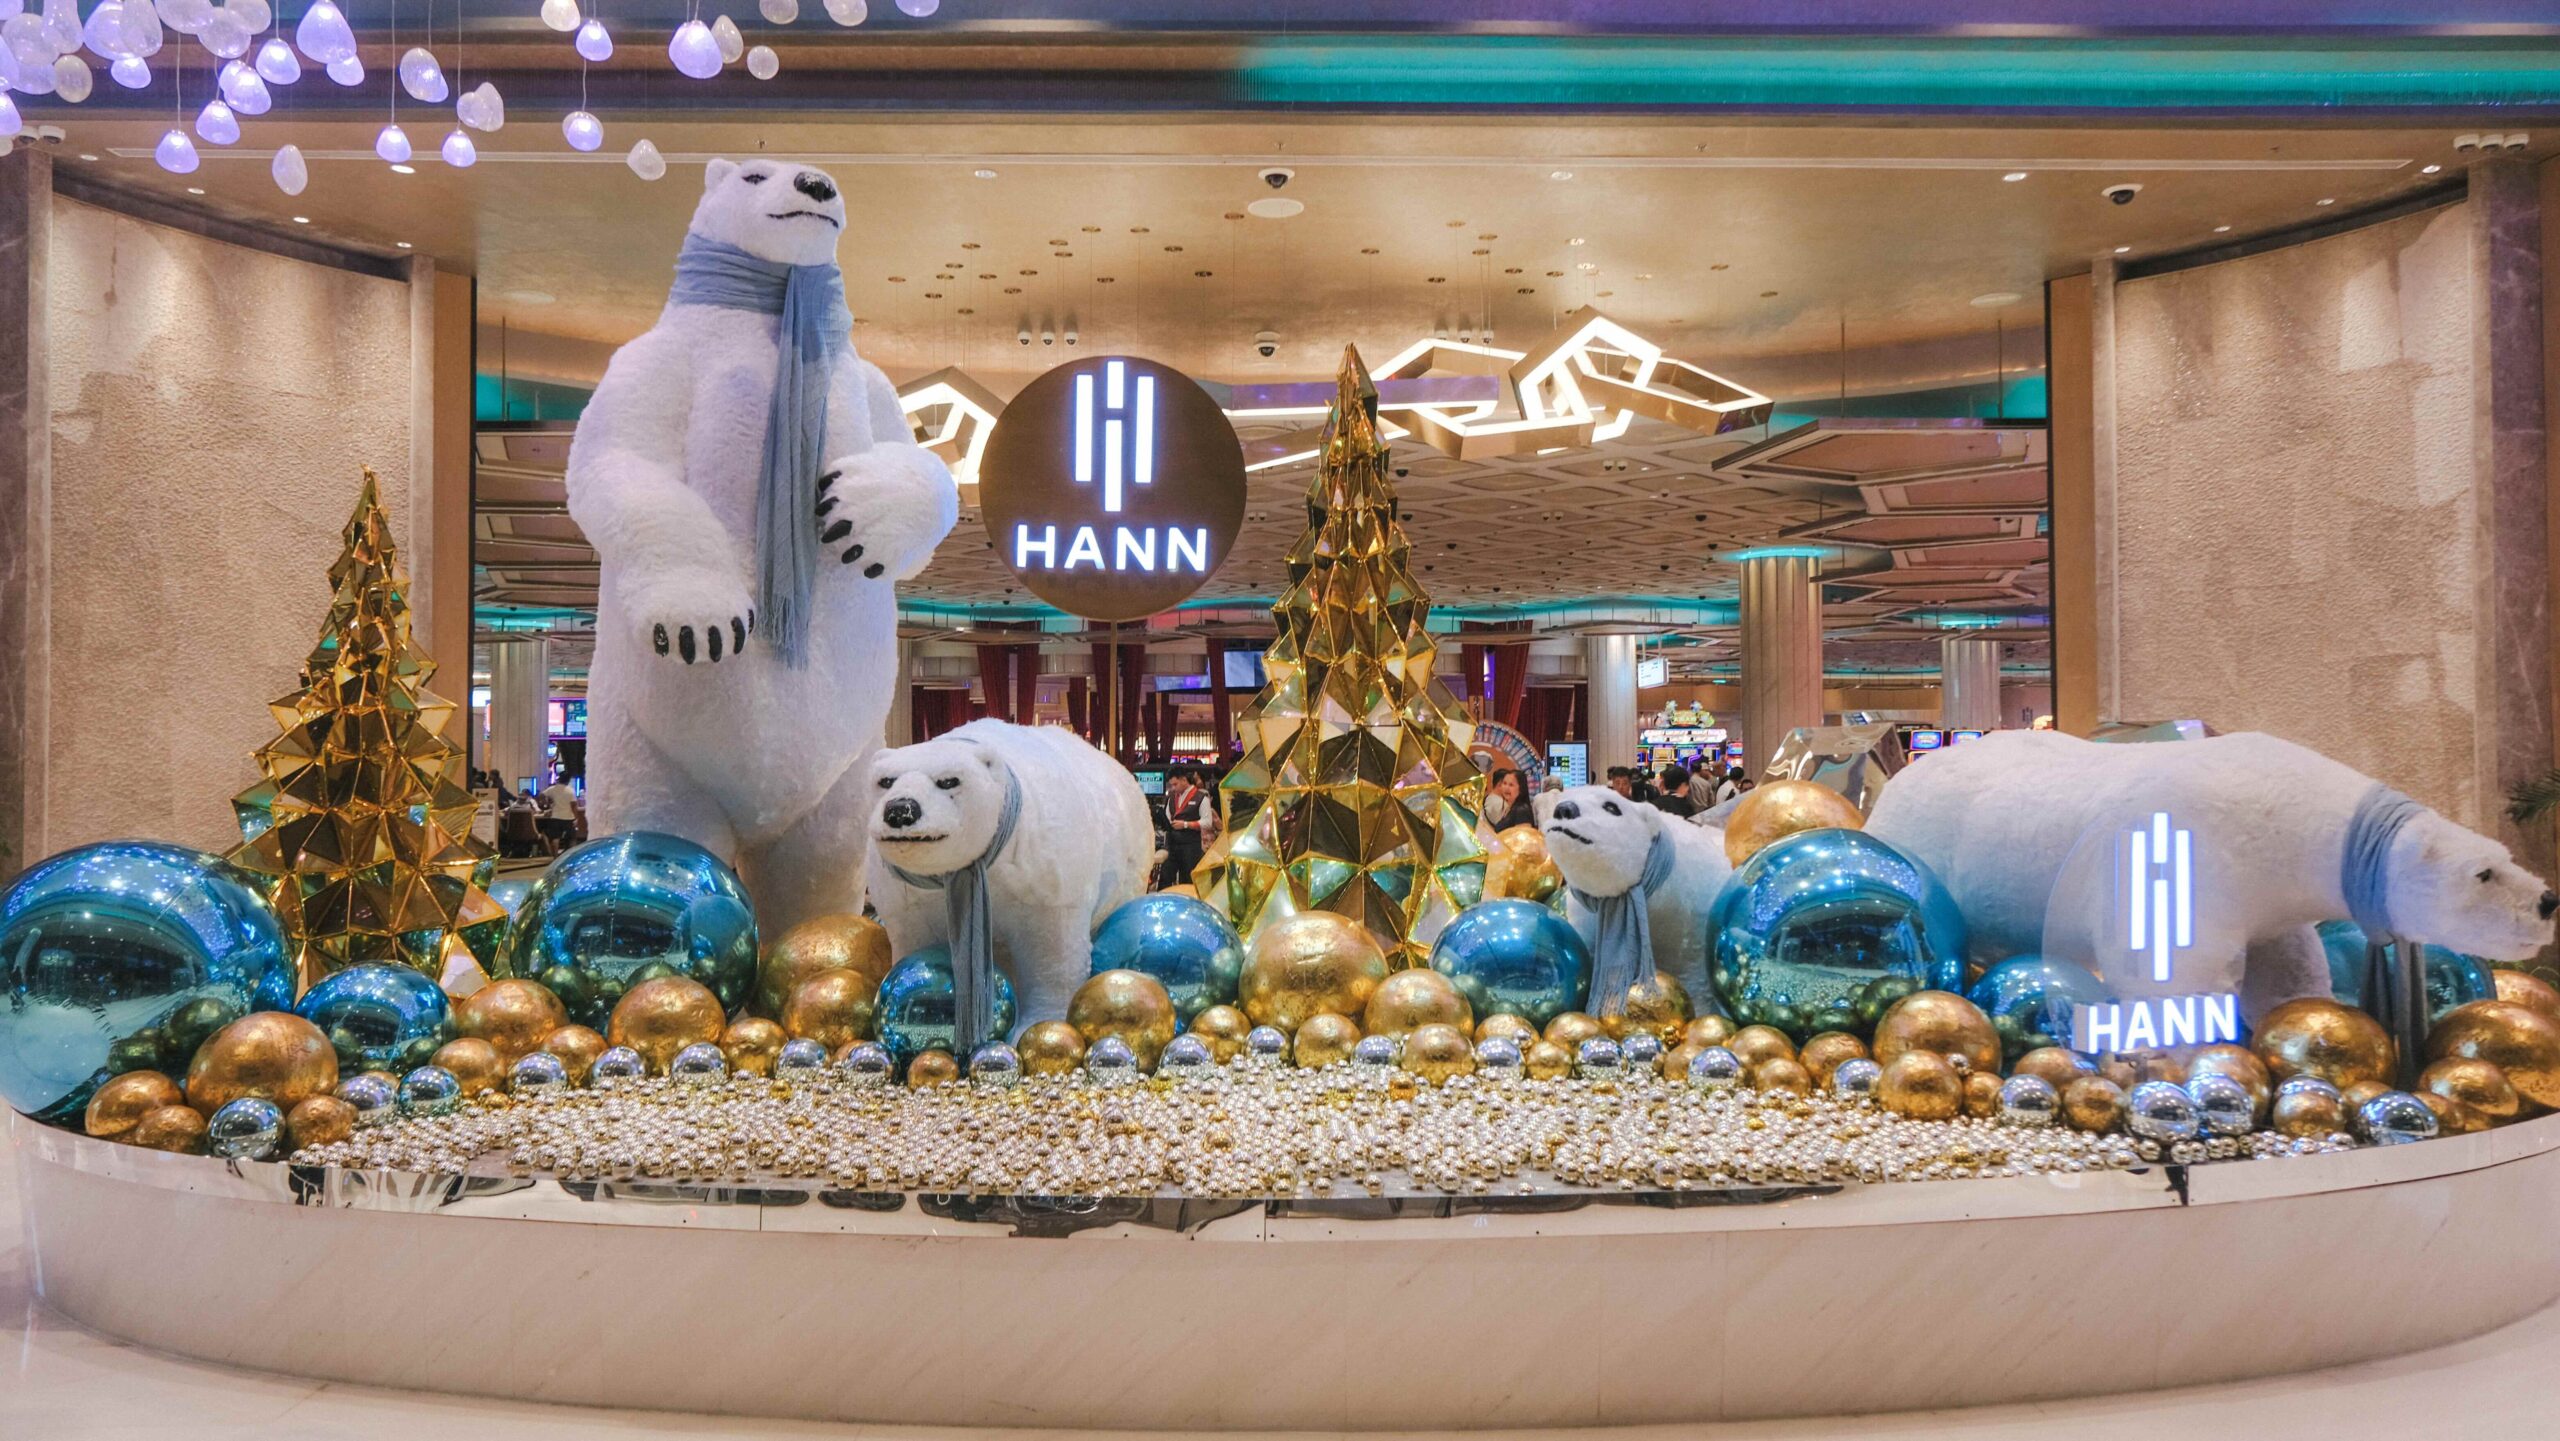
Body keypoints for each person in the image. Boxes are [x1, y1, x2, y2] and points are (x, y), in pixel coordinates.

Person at [1161, 764, 1212, 888]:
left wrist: (1185, 825)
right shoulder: (1171, 798)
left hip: (1190, 846)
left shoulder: (1201, 798)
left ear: (1184, 780)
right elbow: (1168, 816)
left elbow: (1208, 822)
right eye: (1171, 785)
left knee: (1187, 882)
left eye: (1175, 784)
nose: (1173, 788)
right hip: (1172, 845)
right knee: (1164, 880)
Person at [537, 773, 583, 854]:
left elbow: (540, 795)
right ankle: (569, 855)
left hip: (555, 817)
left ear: (559, 779)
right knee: (571, 838)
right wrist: (576, 818)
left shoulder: (552, 789)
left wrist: (546, 802)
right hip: (568, 817)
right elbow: (573, 805)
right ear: (568, 781)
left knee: (555, 837)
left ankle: (555, 856)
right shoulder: (570, 790)